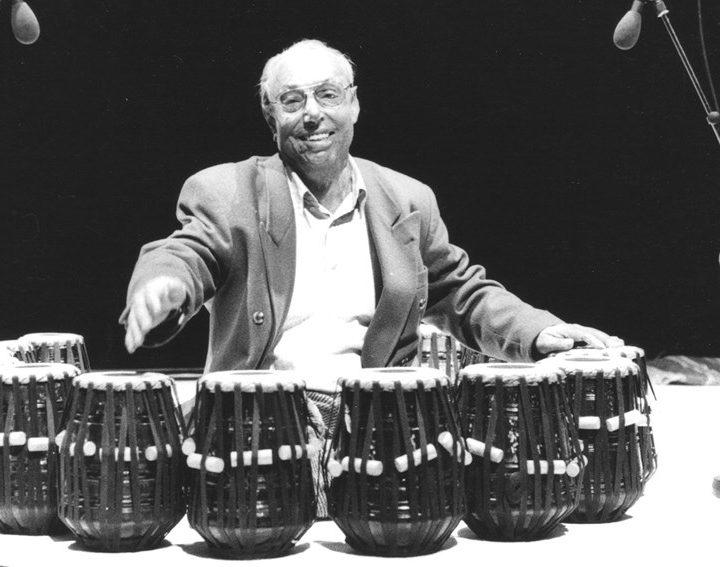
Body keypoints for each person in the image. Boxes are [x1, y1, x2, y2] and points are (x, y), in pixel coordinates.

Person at [120, 39, 622, 379]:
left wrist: (539, 332)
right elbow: (186, 252)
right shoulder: (226, 190)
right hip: (260, 429)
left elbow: (461, 293)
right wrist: (165, 285)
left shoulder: (408, 200)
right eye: (292, 101)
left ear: (354, 104)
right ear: (271, 116)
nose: (312, 113)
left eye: (328, 95)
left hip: (378, 431)